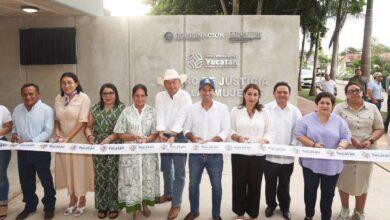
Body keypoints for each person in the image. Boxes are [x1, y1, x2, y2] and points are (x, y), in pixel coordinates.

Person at [295, 92, 351, 220]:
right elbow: (299, 134)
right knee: (310, 191)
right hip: (311, 164)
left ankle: (326, 216)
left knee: (328, 194)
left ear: (332, 105)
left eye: (328, 103)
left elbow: (346, 136)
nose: (325, 105)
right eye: (322, 103)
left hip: (332, 166)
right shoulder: (306, 119)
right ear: (317, 104)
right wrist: (313, 144)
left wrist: (341, 146)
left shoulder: (339, 121)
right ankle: (309, 215)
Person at [334, 82, 384, 220]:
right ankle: (345, 209)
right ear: (346, 94)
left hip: (366, 152)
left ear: (362, 92)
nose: (354, 93)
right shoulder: (339, 108)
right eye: (351, 91)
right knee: (344, 181)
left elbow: (379, 128)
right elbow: (334, 127)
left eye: (357, 90)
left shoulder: (372, 108)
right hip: (346, 151)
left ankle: (359, 212)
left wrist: (370, 141)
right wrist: (351, 138)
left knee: (363, 182)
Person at [183, 78, 230, 220]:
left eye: (210, 90)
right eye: (204, 89)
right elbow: (186, 129)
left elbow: (226, 130)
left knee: (216, 186)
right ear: (200, 92)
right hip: (196, 155)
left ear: (214, 92)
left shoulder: (222, 108)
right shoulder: (192, 109)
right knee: (193, 185)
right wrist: (193, 138)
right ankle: (194, 211)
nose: (207, 92)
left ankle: (216, 214)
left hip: (215, 155)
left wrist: (211, 141)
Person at [113, 84, 159, 220]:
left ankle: (145, 203)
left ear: (146, 96)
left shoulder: (152, 111)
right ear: (133, 97)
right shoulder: (126, 112)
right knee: (131, 180)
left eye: (142, 96)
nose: (140, 98)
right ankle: (136, 209)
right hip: (130, 155)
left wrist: (146, 140)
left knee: (146, 178)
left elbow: (155, 133)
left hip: (147, 154)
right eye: (137, 96)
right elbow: (119, 133)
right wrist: (134, 137)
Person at [11, 83, 56, 220]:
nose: (28, 97)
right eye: (25, 94)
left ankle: (49, 207)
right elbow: (14, 128)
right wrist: (14, 134)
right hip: (22, 151)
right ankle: (30, 206)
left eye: (31, 94)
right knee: (26, 180)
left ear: (38, 94)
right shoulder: (17, 109)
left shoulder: (46, 110)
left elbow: (48, 131)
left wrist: (31, 142)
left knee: (45, 179)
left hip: (40, 150)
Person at [230, 83, 273, 220]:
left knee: (255, 185)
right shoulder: (235, 111)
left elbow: (269, 132)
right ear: (244, 95)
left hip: (257, 155)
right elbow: (230, 131)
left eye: (255, 94)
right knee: (239, 184)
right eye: (249, 94)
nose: (252, 97)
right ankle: (240, 213)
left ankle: (253, 214)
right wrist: (238, 137)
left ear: (259, 97)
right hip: (239, 154)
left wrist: (264, 140)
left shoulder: (264, 112)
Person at [54, 72, 93, 217]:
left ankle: (82, 200)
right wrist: (58, 133)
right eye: (63, 83)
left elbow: (82, 121)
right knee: (67, 171)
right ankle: (72, 199)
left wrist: (68, 138)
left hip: (78, 141)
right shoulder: (58, 98)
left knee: (79, 171)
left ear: (76, 83)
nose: (66, 85)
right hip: (63, 142)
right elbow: (57, 119)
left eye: (70, 82)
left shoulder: (84, 98)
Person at [155, 69, 192, 219]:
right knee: (165, 166)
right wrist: (161, 132)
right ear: (164, 84)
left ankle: (176, 204)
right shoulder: (160, 96)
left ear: (179, 83)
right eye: (168, 83)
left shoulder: (185, 96)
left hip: (181, 136)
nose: (171, 85)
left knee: (179, 172)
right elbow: (160, 114)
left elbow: (182, 116)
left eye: (174, 82)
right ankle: (168, 193)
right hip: (165, 135)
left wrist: (174, 135)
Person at [85, 83, 125, 219]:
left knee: (114, 176)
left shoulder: (121, 108)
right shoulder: (95, 109)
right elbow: (88, 127)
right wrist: (90, 136)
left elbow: (122, 130)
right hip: (98, 148)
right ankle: (102, 205)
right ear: (101, 95)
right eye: (105, 93)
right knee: (100, 176)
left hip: (115, 147)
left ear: (116, 94)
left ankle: (114, 206)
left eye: (111, 93)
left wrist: (109, 138)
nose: (108, 96)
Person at [264, 82, 302, 220]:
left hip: (287, 157)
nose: (282, 95)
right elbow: (264, 129)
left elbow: (298, 132)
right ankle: (271, 205)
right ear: (274, 93)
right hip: (269, 157)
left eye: (285, 92)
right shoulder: (266, 109)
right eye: (279, 92)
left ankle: (285, 207)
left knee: (285, 184)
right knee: (270, 184)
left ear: (289, 95)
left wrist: (292, 146)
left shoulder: (295, 111)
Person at [0, 104, 12, 220]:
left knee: (0, 176)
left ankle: (2, 203)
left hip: (1, 147)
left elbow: (9, 126)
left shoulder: (2, 109)